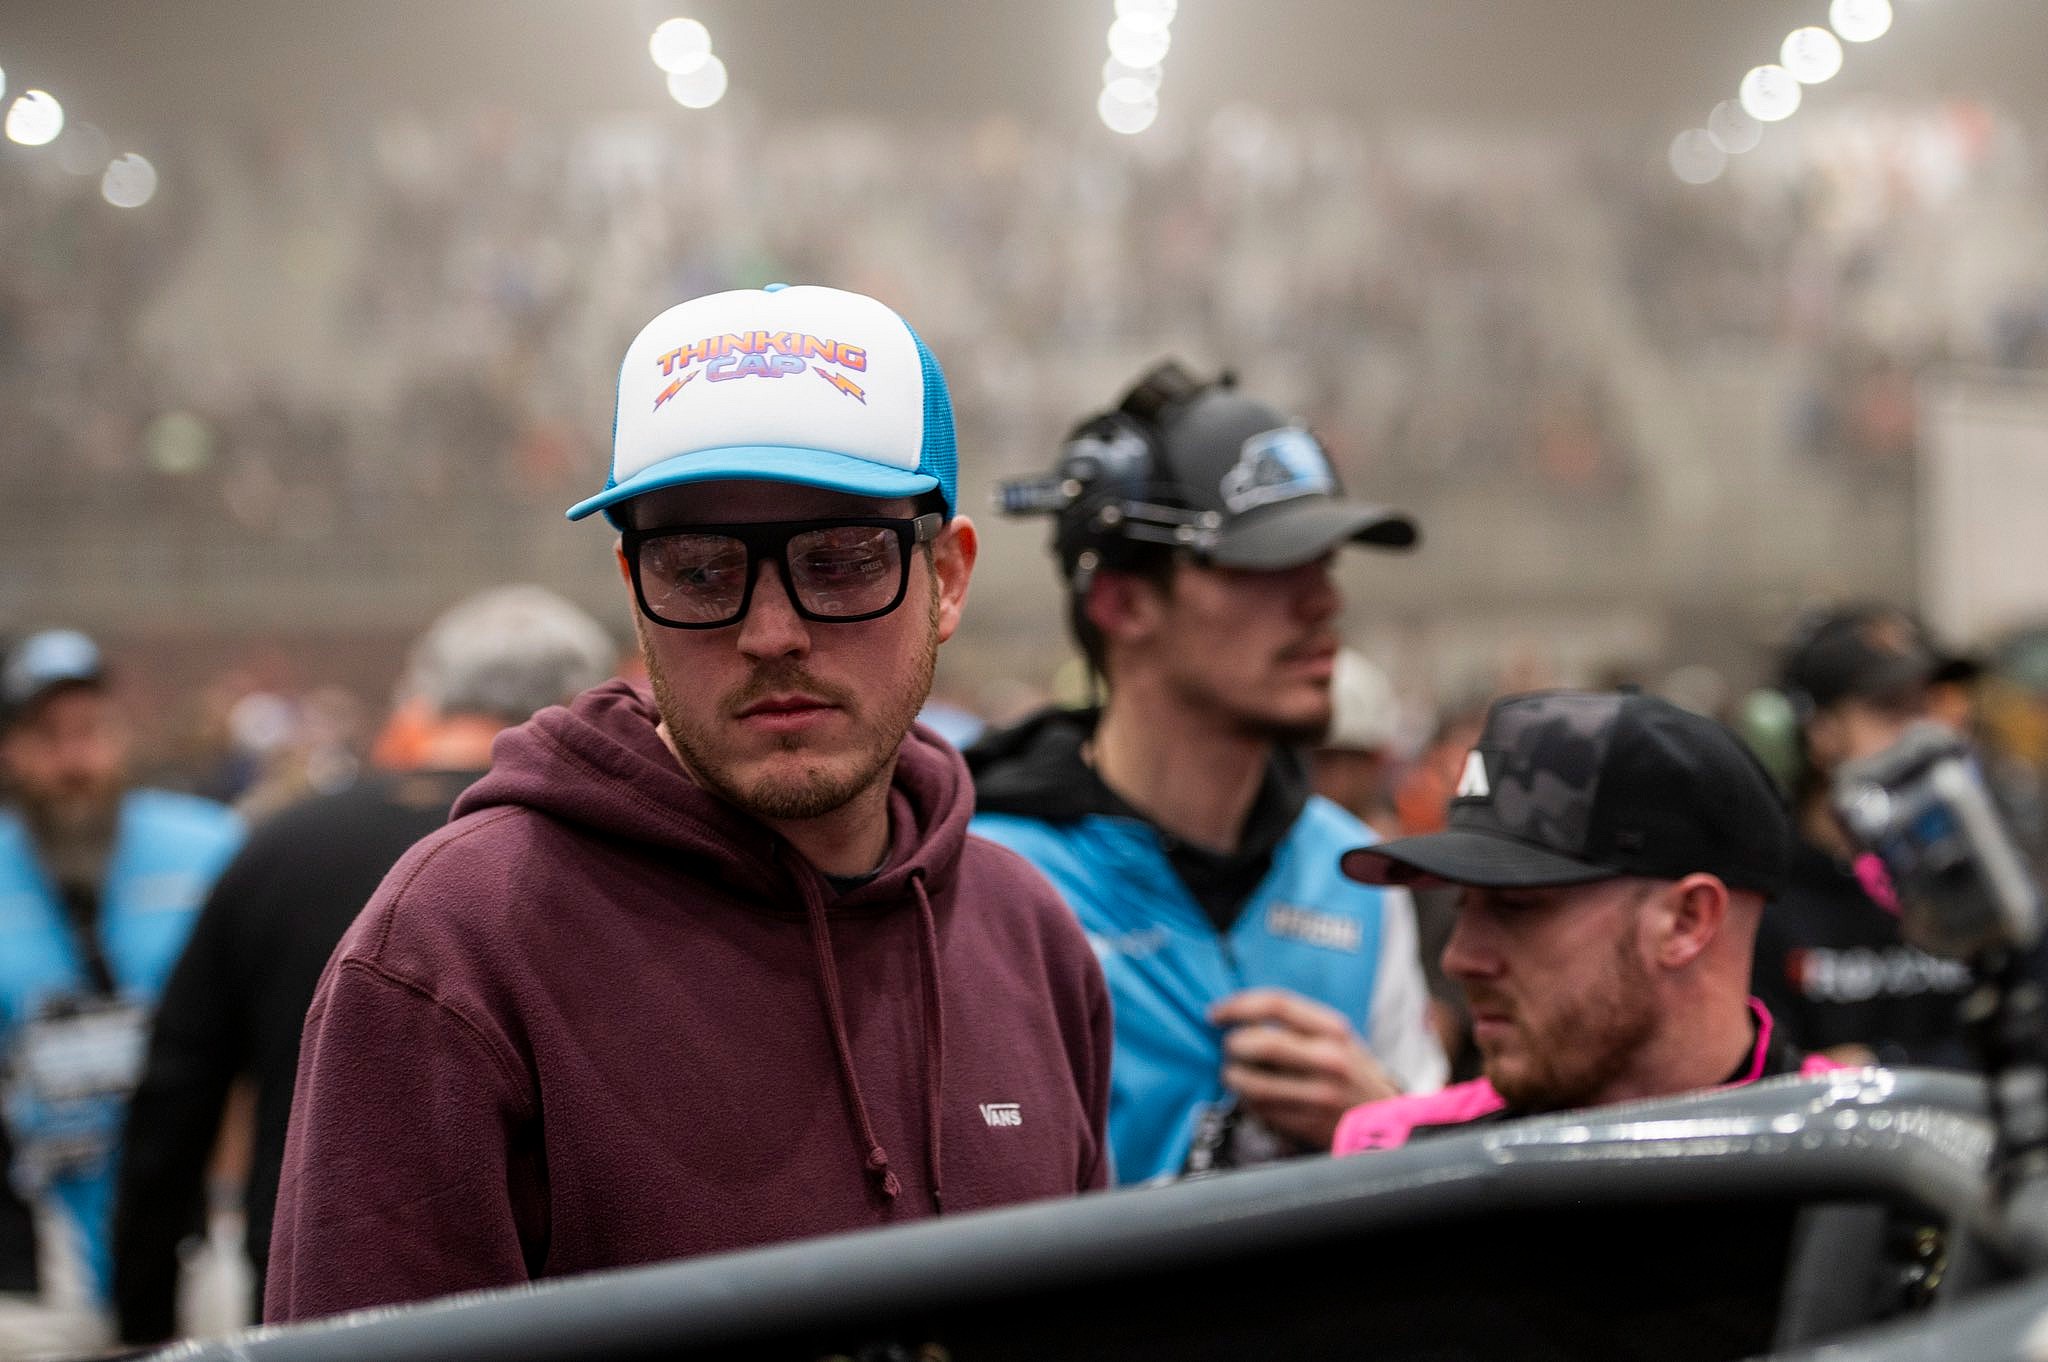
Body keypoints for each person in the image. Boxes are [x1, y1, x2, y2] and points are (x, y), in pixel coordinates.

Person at [266, 284, 1112, 1323]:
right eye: (701, 571)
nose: (771, 632)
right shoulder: (453, 951)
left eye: (840, 562)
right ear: (635, 591)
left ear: (947, 577)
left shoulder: (1026, 936)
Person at [969, 361, 1446, 1183]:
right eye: (1265, 564)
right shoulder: (988, 884)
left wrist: (1381, 1124)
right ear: (1122, 604)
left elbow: (1444, 1212)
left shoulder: (1360, 877)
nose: (1324, 602)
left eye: (1325, 562)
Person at [111, 586, 616, 1344]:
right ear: (584, 699)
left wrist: (141, 1314)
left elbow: (175, 1099)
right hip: (574, 1303)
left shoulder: (279, 846)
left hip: (311, 1295)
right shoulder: (605, 857)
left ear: (427, 692)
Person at [1331, 689, 1837, 1153]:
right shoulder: (1400, 1151)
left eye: (1516, 906)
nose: (1459, 958)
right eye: (1464, 904)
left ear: (1686, 921)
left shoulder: (1862, 1148)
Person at [0, 630, 241, 1329]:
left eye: (92, 731)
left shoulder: (209, 848)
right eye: (48, 737)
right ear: (10, 750)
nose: (75, 760)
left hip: (199, 1222)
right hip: (38, 1248)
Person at [1750, 606, 1976, 1068]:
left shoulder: (1974, 870)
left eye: (1932, 708)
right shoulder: (1764, 893)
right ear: (1820, 733)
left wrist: (1879, 1064)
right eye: (1891, 709)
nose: (1924, 734)